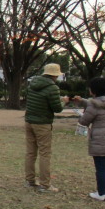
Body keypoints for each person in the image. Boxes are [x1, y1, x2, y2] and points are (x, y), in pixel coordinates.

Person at [73, 77, 105, 201]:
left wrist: (80, 115)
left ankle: (101, 193)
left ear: (93, 90)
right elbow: (93, 103)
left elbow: (84, 121)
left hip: (100, 140)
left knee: (100, 168)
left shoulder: (93, 106)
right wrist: (82, 101)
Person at [24, 63, 70, 192]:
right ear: (55, 75)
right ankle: (45, 184)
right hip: (43, 123)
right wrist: (64, 101)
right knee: (45, 153)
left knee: (30, 152)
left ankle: (30, 180)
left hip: (29, 121)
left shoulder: (32, 84)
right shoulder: (52, 88)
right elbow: (57, 108)